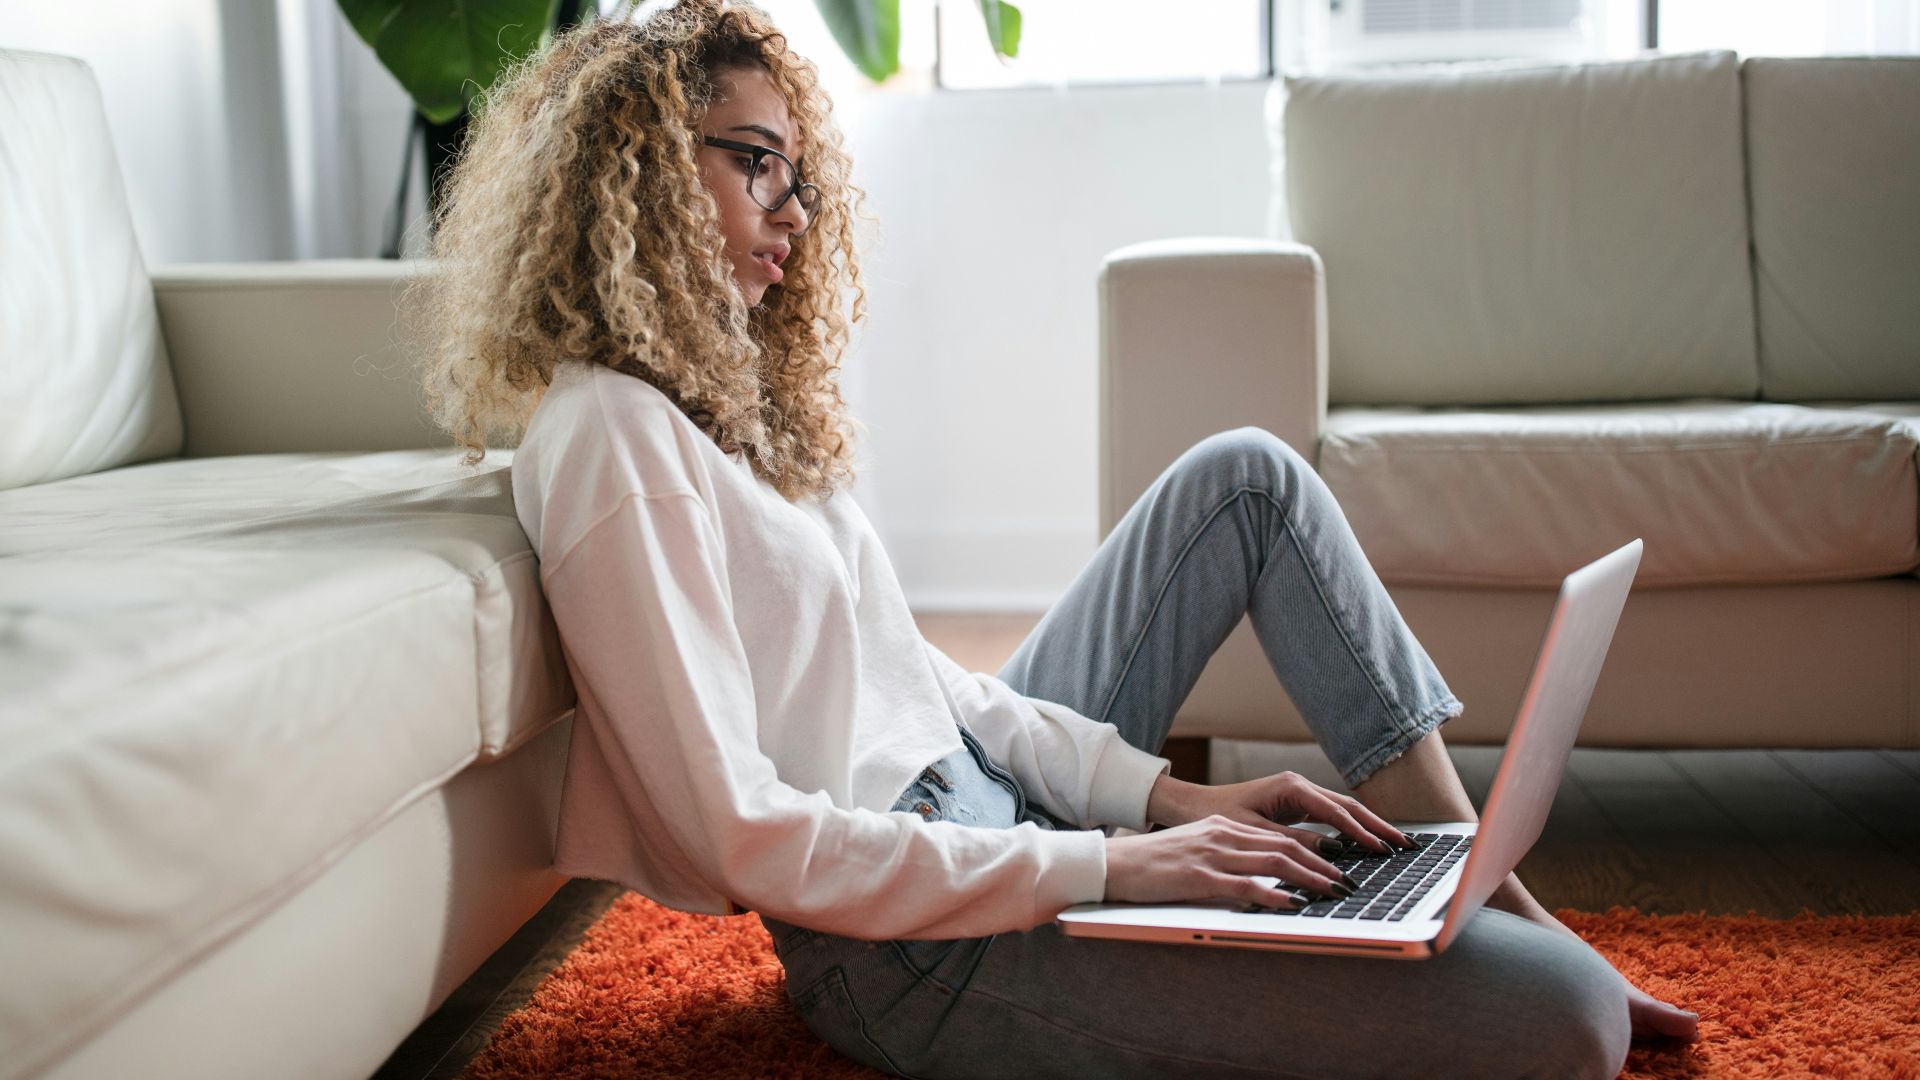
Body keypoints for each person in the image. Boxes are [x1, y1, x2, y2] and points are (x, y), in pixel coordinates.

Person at [405, 2, 1699, 1076]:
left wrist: (1165, 802)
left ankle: (1482, 882)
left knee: (1246, 478)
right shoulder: (610, 437)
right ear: (629, 169)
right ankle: (1478, 931)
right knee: (1564, 1024)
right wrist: (1110, 868)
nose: (792, 213)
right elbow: (739, 836)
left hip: (991, 820)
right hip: (911, 949)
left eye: (798, 174)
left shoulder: (727, 412)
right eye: (753, 161)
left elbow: (934, 689)